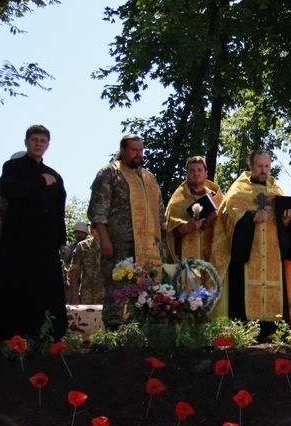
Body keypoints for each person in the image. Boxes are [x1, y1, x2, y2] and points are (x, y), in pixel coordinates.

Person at [210, 150, 291, 333]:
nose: (263, 170)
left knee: (276, 314)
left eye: (267, 166)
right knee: (244, 306)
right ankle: (245, 335)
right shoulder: (238, 192)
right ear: (251, 165)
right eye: (259, 166)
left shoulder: (276, 191)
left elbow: (288, 234)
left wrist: (286, 220)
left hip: (273, 260)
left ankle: (274, 333)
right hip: (247, 259)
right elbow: (227, 222)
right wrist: (250, 218)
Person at [0, 125, 67, 341]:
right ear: (26, 142)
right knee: (13, 289)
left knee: (45, 290)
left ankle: (46, 337)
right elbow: (8, 191)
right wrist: (39, 181)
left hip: (45, 244)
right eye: (34, 140)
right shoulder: (12, 167)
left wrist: (62, 241)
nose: (38, 144)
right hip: (17, 242)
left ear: (48, 145)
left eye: (42, 141)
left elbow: (59, 212)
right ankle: (9, 338)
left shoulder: (56, 176)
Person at [88, 134, 165, 328]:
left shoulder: (149, 178)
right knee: (118, 290)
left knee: (144, 293)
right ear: (123, 150)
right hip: (118, 245)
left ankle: (140, 333)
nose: (139, 154)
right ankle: (113, 336)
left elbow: (159, 213)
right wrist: (104, 240)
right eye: (134, 150)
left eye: (141, 150)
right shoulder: (109, 173)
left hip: (148, 248)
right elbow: (97, 211)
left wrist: (162, 243)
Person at [165, 156, 223, 262]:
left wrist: (215, 219)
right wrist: (188, 226)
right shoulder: (178, 201)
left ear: (206, 173)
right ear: (186, 174)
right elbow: (171, 233)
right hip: (188, 257)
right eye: (192, 170)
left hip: (213, 256)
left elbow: (226, 227)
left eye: (199, 170)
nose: (196, 173)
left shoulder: (218, 198)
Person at [66, 226, 103, 305]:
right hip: (88, 298)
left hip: (109, 299)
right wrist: (74, 300)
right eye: (95, 227)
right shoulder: (82, 246)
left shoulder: (114, 246)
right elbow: (73, 275)